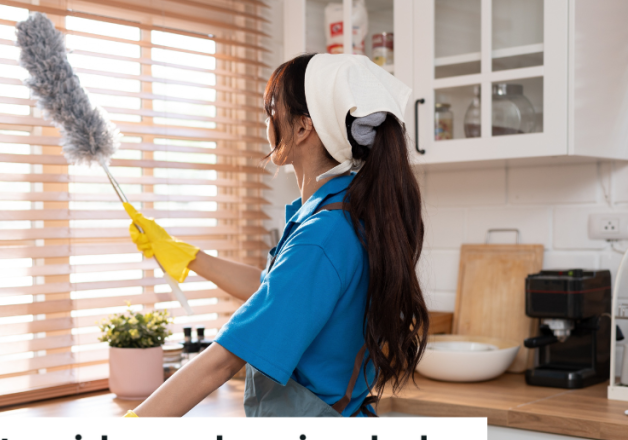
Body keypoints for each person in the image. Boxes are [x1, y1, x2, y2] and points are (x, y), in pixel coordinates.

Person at [120, 53, 429, 418]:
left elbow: (223, 361)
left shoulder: (323, 236)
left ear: (302, 128)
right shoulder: (341, 216)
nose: (268, 124)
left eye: (272, 110)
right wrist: (185, 256)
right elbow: (275, 292)